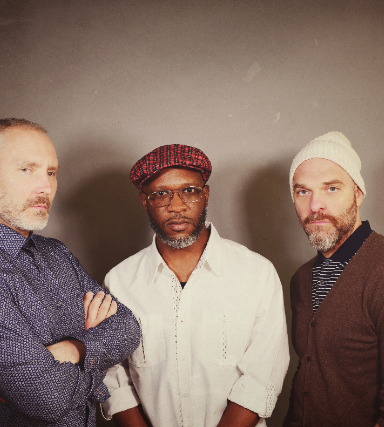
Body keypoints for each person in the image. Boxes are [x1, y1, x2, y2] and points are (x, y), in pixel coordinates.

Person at [0, 118, 140, 426]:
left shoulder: (57, 253)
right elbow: (48, 399)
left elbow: (128, 327)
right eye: (26, 169)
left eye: (51, 173)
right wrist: (95, 352)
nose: (45, 187)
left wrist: (73, 349)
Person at [101, 144, 290, 427]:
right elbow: (114, 379)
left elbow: (262, 378)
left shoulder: (257, 273)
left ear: (206, 195)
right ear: (144, 201)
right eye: (161, 194)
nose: (176, 206)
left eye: (189, 191)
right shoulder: (119, 281)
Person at [283, 131, 384, 427]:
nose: (315, 205)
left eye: (331, 188)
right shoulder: (301, 279)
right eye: (303, 191)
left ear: (358, 193)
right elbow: (308, 377)